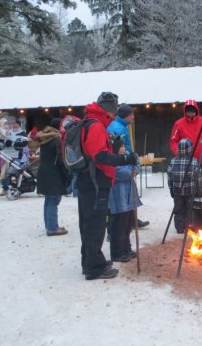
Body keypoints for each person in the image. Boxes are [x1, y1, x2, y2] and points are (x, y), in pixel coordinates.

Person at [76, 92, 139, 280]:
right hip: (95, 182)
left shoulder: (93, 122)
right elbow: (100, 156)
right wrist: (124, 158)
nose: (115, 113)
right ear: (109, 109)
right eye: (115, 108)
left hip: (90, 180)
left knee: (89, 223)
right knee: (94, 225)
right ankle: (94, 268)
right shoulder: (95, 126)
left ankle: (90, 261)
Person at [107, 103, 149, 228]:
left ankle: (131, 220)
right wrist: (131, 160)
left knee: (128, 195)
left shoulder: (121, 125)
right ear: (126, 115)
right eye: (132, 115)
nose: (133, 118)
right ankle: (117, 225)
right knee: (123, 197)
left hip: (124, 163)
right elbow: (118, 148)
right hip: (121, 165)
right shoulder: (118, 129)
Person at [108, 138, 141, 262]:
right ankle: (117, 253)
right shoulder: (114, 163)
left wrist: (133, 162)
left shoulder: (123, 160)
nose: (124, 149)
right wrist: (135, 163)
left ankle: (126, 248)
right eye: (121, 147)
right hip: (119, 201)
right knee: (119, 228)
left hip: (128, 200)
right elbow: (129, 173)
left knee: (127, 227)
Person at [36, 118, 69, 237]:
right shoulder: (57, 140)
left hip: (44, 171)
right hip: (54, 173)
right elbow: (60, 159)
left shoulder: (46, 137)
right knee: (54, 200)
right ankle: (52, 228)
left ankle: (49, 225)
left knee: (48, 200)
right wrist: (67, 173)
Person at [167, 138, 201, 234]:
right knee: (189, 208)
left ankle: (179, 227)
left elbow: (169, 175)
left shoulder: (173, 161)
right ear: (190, 149)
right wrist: (198, 189)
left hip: (177, 191)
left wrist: (171, 188)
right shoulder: (194, 162)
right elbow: (198, 177)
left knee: (178, 209)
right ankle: (189, 226)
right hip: (190, 191)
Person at [169, 99, 202, 167]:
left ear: (196, 111)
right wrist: (178, 152)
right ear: (185, 112)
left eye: (192, 112)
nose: (190, 114)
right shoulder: (178, 124)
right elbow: (173, 141)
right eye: (188, 112)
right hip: (186, 162)